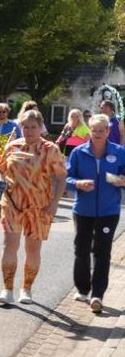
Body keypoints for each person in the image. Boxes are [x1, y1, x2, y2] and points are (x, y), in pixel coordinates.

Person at [0, 109, 66, 305]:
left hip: (39, 207)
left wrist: (55, 203)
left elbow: (61, 178)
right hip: (12, 203)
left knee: (32, 248)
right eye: (25, 127)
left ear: (40, 128)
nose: (29, 131)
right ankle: (7, 289)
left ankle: (26, 289)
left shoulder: (50, 149)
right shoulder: (12, 146)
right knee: (9, 244)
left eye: (33, 127)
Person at [65, 113, 125, 313]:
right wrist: (78, 183)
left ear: (108, 131)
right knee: (81, 249)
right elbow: (67, 179)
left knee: (102, 251)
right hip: (83, 210)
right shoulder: (79, 152)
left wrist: (122, 181)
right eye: (94, 130)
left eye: (101, 130)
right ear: (89, 131)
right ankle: (83, 289)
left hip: (109, 210)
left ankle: (98, 294)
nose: (97, 134)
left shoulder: (119, 152)